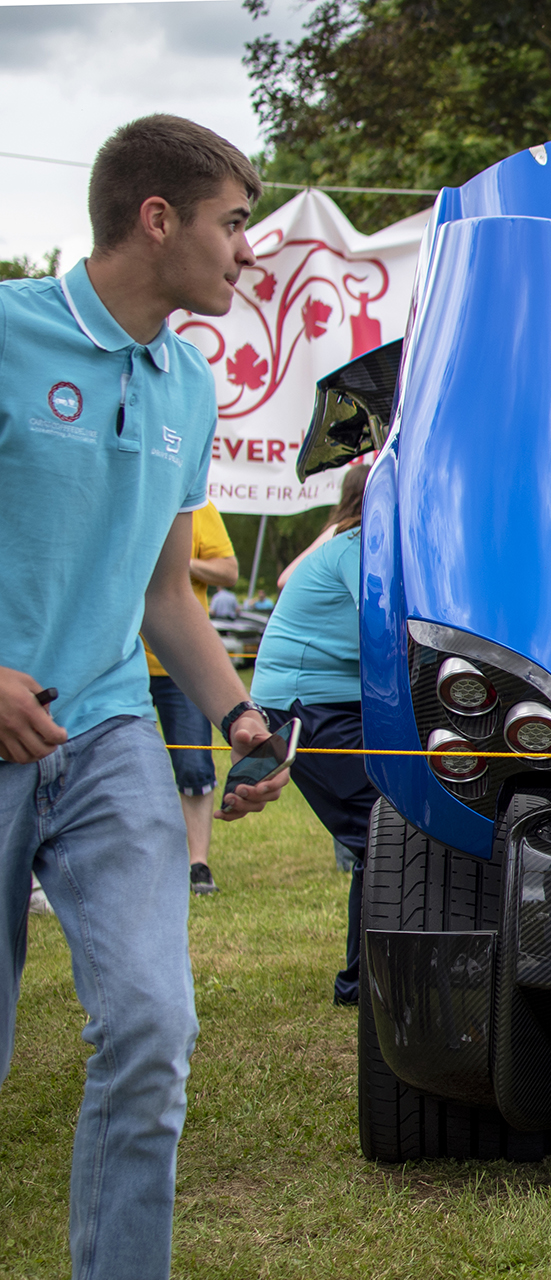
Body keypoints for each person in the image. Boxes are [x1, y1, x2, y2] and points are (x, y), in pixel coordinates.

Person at [1, 114, 286, 1280]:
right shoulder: (8, 335)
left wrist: (240, 716)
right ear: (156, 219)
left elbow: (168, 593)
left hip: (111, 727)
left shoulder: (191, 384)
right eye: (234, 223)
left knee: (155, 1028)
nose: (247, 252)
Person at [251, 465, 371, 1006]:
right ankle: (362, 986)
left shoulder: (358, 540)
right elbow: (386, 623)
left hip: (336, 701)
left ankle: (365, 981)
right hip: (306, 702)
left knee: (393, 830)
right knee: (389, 830)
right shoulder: (359, 547)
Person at [142, 499, 237, 894]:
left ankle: (197, 864)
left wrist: (179, 566)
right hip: (114, 663)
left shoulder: (197, 507)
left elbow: (228, 571)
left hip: (176, 666)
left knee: (195, 766)